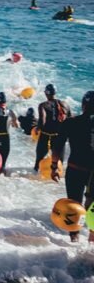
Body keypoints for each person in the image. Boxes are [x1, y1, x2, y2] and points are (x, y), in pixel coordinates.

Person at [52, 91, 94, 242]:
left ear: (83, 105)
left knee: (74, 207)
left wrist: (54, 166)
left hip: (75, 169)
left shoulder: (70, 122)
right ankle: (91, 244)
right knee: (93, 210)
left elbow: (57, 146)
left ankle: (74, 239)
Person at [34, 84, 72, 172]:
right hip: (60, 137)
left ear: (46, 93)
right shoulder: (65, 104)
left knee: (39, 160)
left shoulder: (43, 105)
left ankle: (34, 178)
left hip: (45, 136)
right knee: (60, 161)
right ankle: (58, 183)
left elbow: (42, 121)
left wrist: (37, 128)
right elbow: (70, 121)